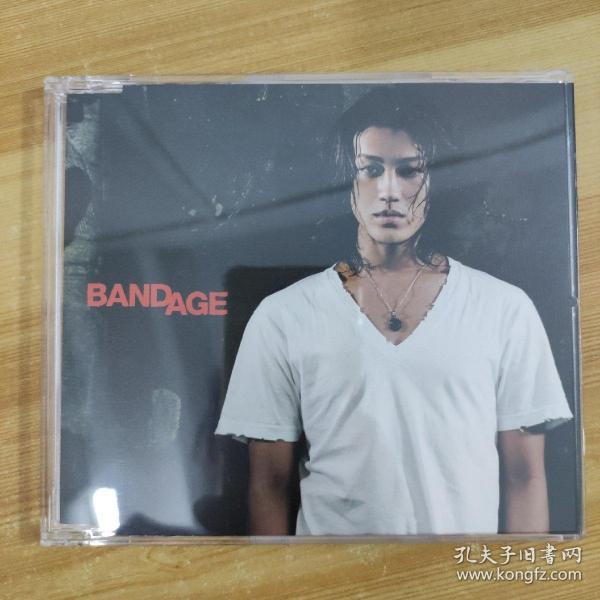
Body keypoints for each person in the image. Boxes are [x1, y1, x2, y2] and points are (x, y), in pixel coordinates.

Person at [215, 87, 574, 536]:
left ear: (435, 180)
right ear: (346, 180)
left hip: (457, 572)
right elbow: (268, 485)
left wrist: (516, 575)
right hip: (335, 572)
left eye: (409, 171)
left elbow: (526, 477)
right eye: (370, 170)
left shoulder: (504, 308)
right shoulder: (283, 315)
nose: (388, 191)